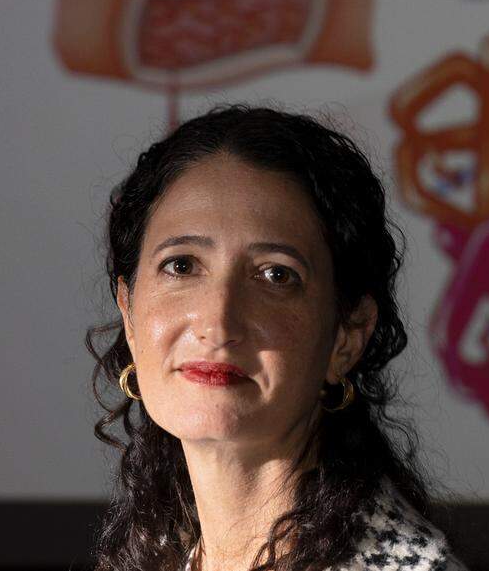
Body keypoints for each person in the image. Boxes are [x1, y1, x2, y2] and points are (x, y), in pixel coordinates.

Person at [85, 105, 468, 571]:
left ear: (347, 336)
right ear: (129, 311)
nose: (218, 323)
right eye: (181, 265)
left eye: (275, 275)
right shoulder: (163, 554)